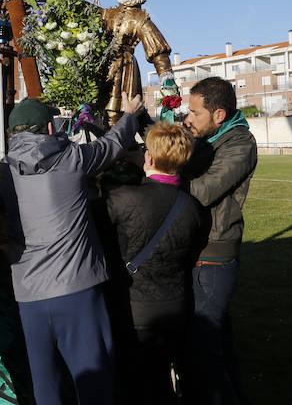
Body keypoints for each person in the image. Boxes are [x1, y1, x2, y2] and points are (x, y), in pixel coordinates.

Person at [0, 91, 144, 405]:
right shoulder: (71, 157)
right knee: (94, 381)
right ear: (50, 128)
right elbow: (112, 145)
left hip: (29, 294)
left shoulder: (6, 168)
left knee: (46, 386)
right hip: (78, 289)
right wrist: (130, 114)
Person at [103, 122, 208, 405]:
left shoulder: (121, 199)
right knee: (160, 382)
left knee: (132, 385)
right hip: (176, 305)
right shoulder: (194, 208)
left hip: (134, 309)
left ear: (148, 158)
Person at [182, 77, 257, 405]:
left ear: (219, 114)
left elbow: (203, 190)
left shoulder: (239, 144)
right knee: (219, 345)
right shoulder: (210, 137)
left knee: (203, 352)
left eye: (195, 113)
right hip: (199, 249)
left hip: (214, 255)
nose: (189, 118)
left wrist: (158, 181)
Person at [100, 0, 174, 124]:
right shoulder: (109, 13)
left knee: (118, 116)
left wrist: (167, 80)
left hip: (125, 71)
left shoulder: (140, 19)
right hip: (104, 67)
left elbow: (158, 54)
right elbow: (81, 13)